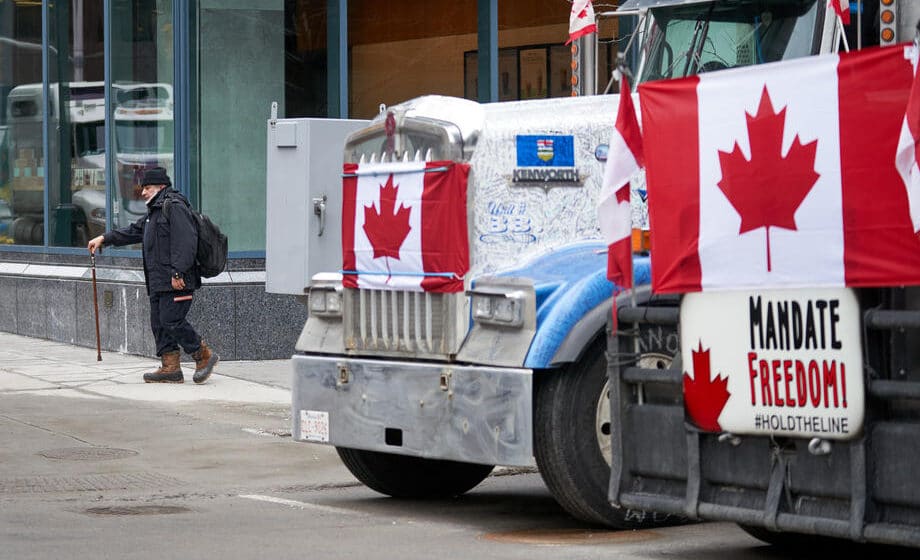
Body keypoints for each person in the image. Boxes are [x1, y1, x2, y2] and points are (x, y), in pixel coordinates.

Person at [87, 166, 219, 384]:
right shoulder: (155, 212)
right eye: (143, 188)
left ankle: (203, 355)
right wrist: (104, 238)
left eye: (147, 187)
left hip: (177, 280)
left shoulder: (174, 206)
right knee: (159, 323)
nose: (143, 192)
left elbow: (185, 242)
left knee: (171, 320)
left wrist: (179, 272)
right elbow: (132, 231)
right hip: (159, 281)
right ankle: (171, 368)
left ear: (161, 187)